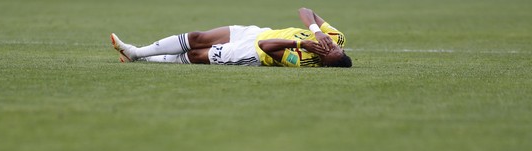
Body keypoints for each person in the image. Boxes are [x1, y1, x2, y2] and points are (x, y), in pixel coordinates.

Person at [110, 7, 352, 68]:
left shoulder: (305, 60)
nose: (326, 48)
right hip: (254, 31)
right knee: (197, 36)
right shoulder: (335, 37)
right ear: (340, 49)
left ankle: (142, 59)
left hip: (250, 53)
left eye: (326, 54)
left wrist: (301, 43)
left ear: (324, 63)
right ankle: (135, 52)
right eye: (331, 48)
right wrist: (318, 31)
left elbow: (264, 47)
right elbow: (304, 10)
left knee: (194, 55)